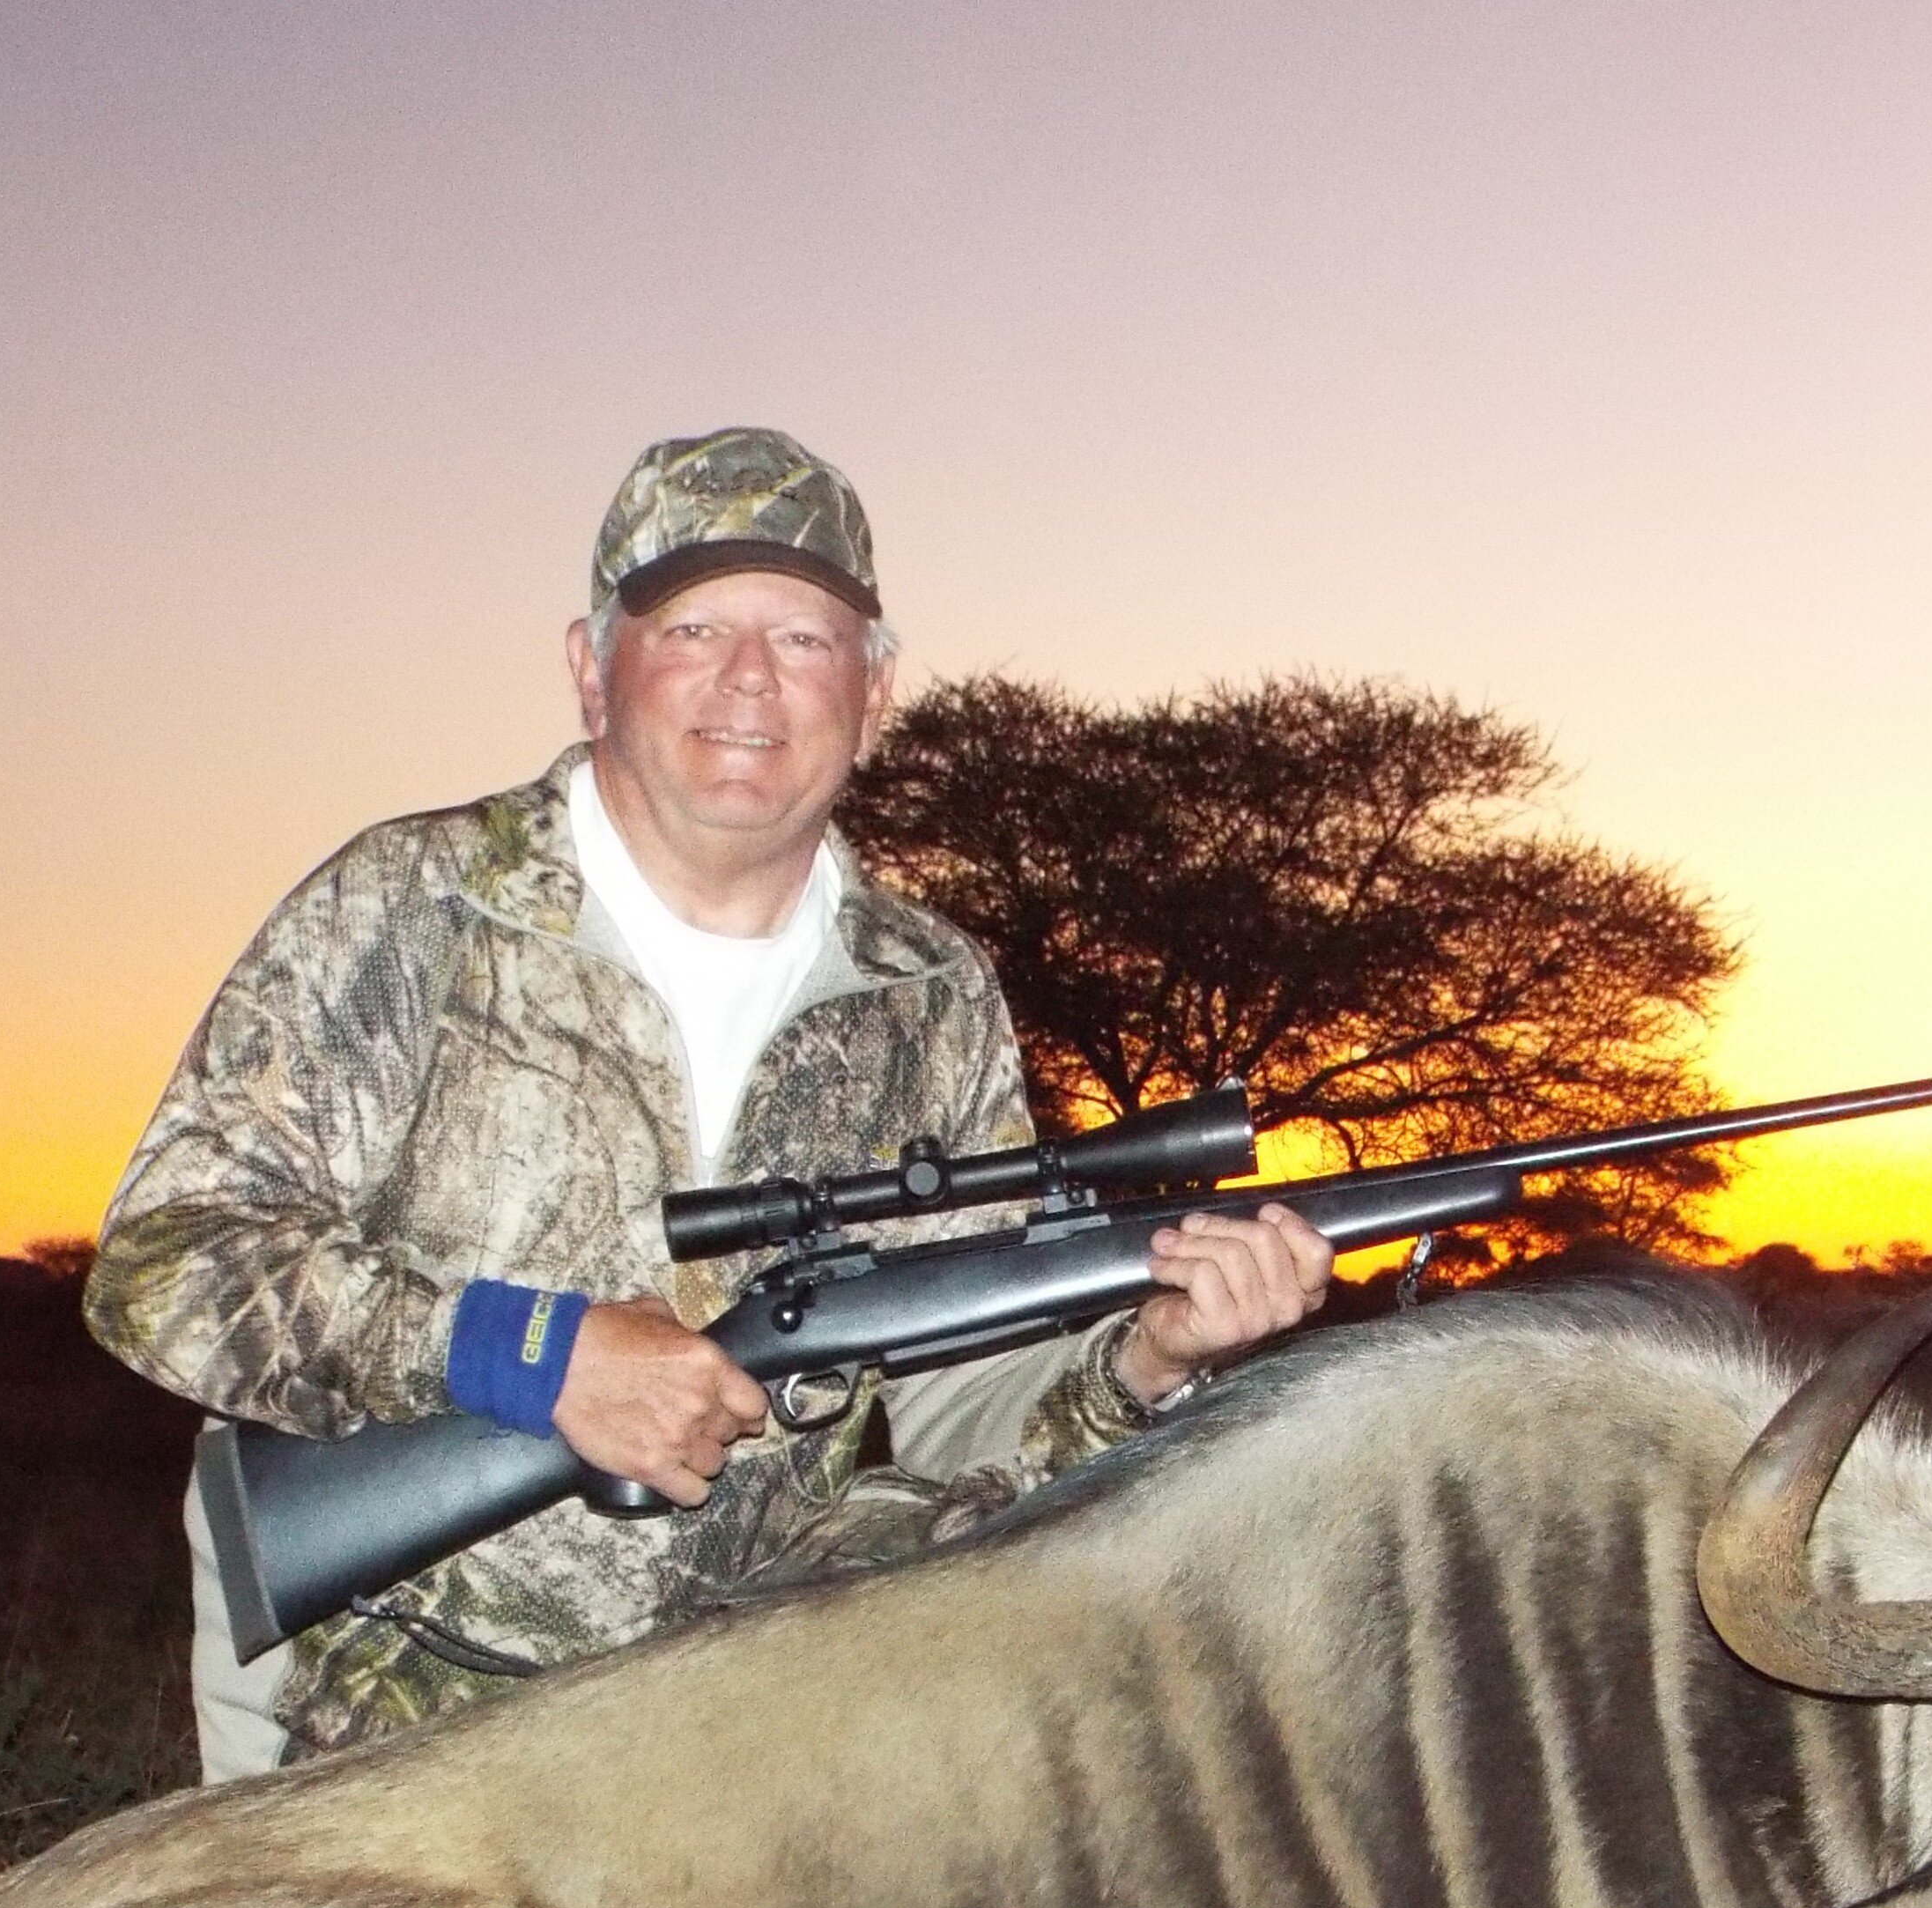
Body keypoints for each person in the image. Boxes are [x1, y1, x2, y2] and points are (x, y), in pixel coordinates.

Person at [87, 428, 1331, 1771]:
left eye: (805, 639)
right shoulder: (409, 908)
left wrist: (1149, 1358)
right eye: (692, 625)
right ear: (589, 667)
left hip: (746, 1735)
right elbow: (165, 1264)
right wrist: (537, 1358)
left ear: (875, 691)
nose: (749, 680)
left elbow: (958, 1407)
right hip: (381, 1719)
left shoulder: (933, 990)